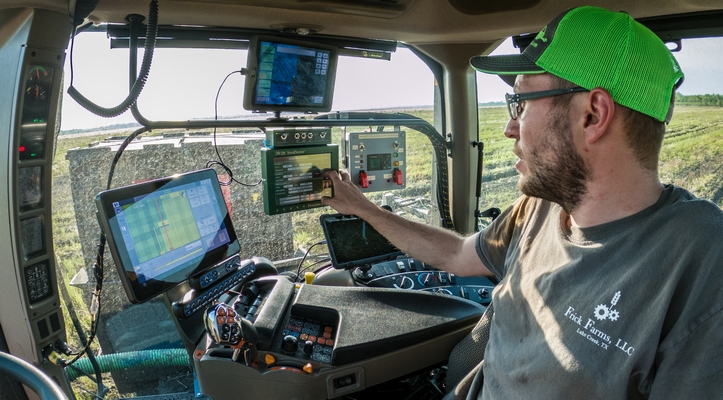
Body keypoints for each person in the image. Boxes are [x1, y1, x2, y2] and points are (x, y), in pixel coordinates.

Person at [322, 5, 723, 399]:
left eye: (521, 104)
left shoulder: (701, 260)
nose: (509, 128)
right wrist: (363, 207)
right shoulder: (545, 205)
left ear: (593, 115)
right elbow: (459, 254)